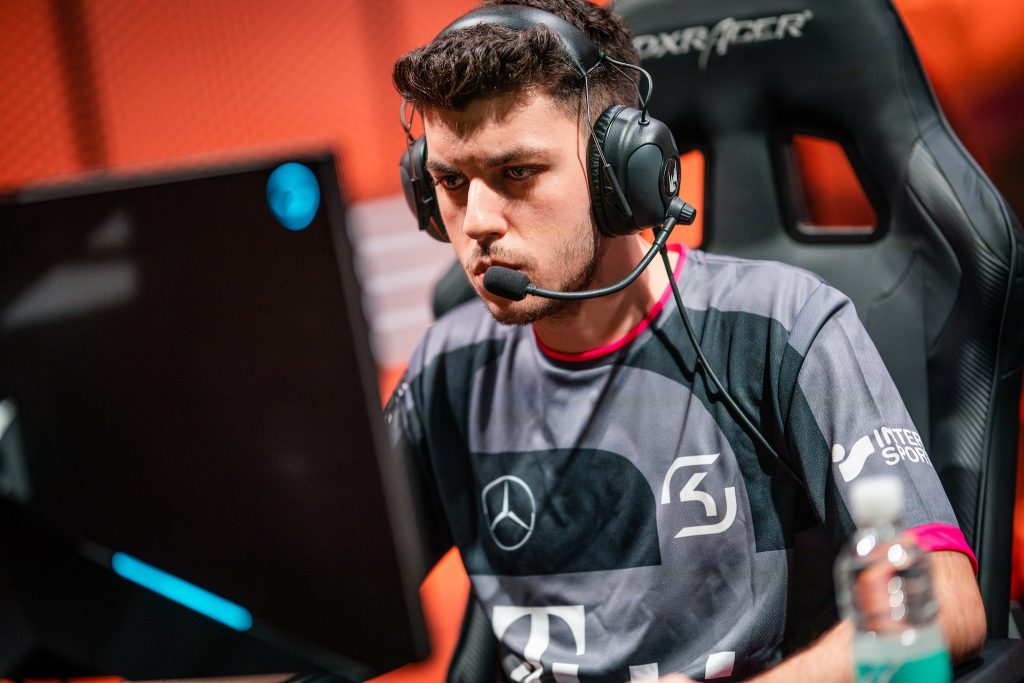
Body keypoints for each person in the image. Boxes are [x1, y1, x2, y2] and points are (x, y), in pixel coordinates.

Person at [386, 0, 987, 680]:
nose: (476, 222)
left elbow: (947, 604)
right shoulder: (448, 365)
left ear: (620, 173)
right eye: (450, 182)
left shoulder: (783, 325)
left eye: (517, 172)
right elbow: (336, 599)